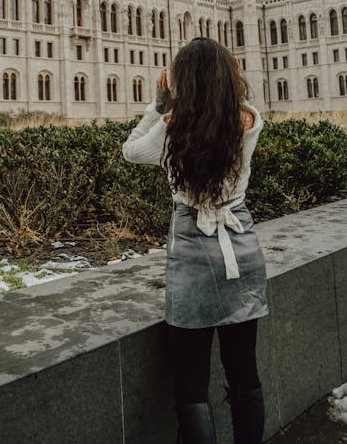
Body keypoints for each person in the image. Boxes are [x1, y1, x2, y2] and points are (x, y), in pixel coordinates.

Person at [122, 37, 268, 444]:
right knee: (244, 372)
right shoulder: (249, 121)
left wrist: (159, 103)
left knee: (191, 382)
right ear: (228, 76)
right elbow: (235, 98)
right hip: (242, 249)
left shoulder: (171, 131)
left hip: (191, 255)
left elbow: (130, 150)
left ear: (180, 80)